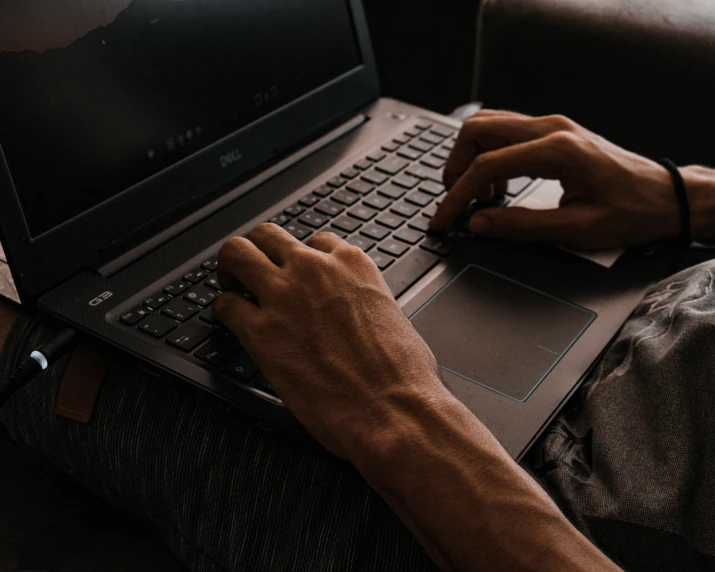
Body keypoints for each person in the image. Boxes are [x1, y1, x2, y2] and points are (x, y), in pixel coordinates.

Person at [1, 110, 714, 571]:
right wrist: (685, 193)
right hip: (670, 273)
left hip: (518, 498)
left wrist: (392, 406)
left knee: (30, 324)